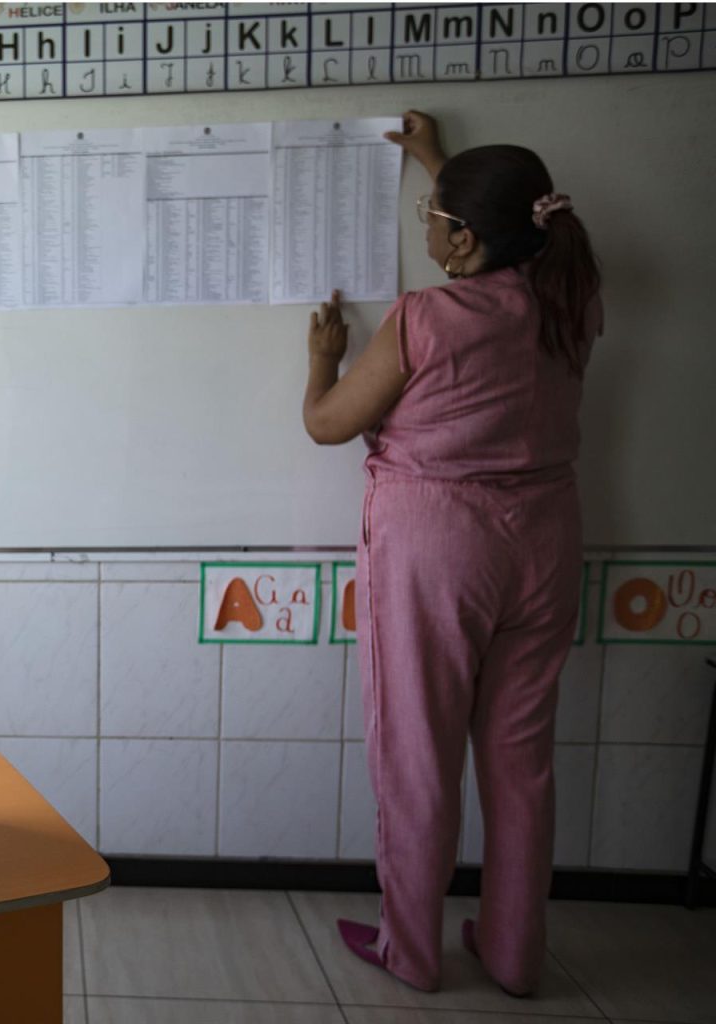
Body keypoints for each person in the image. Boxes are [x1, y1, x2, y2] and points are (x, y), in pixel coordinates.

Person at [300, 110, 602, 995]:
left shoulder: (424, 316)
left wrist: (321, 359)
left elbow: (327, 426)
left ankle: (413, 950)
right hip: (546, 538)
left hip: (439, 545)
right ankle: (513, 953)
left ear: (461, 236)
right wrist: (441, 164)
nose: (422, 225)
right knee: (520, 759)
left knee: (418, 753)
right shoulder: (570, 294)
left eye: (432, 214)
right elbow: (513, 237)